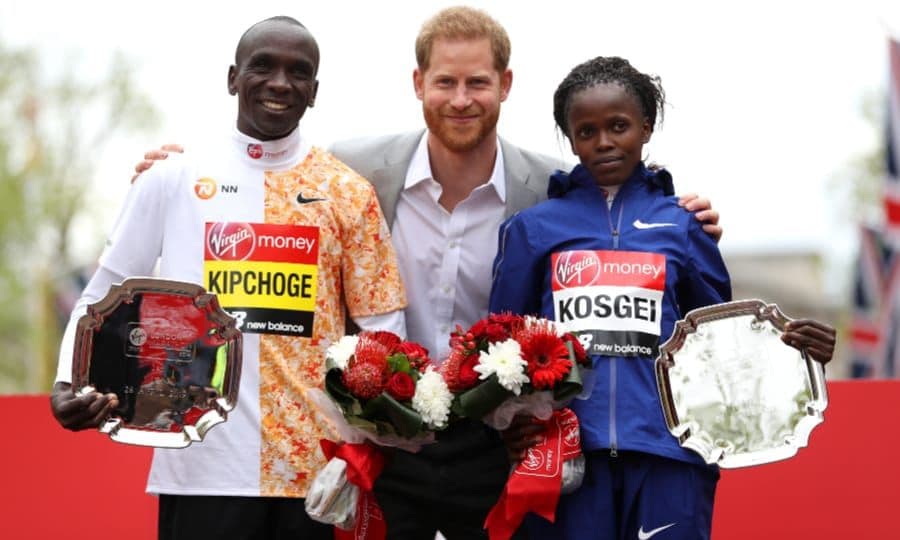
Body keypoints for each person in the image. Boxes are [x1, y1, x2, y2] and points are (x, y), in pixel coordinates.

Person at [132, 7, 723, 539]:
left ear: (505, 86)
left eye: (477, 83)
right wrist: (174, 171)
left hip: (497, 443)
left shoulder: (548, 186)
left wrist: (692, 220)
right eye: (445, 82)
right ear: (419, 84)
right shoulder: (353, 169)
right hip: (387, 435)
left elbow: (624, 217)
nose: (460, 98)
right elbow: (267, 171)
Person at [50, 16, 407, 540]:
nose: (280, 83)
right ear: (232, 78)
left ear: (315, 91)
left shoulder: (349, 193)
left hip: (315, 473)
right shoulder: (173, 177)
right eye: (263, 66)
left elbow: (384, 331)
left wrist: (360, 451)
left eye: (298, 72)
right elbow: (107, 287)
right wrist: (69, 381)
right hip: (199, 468)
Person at [489, 55, 837, 540]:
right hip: (564, 462)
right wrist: (510, 425)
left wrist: (798, 352)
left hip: (670, 456)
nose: (604, 142)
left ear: (646, 127)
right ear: (570, 138)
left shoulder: (683, 226)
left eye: (618, 126)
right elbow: (499, 347)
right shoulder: (532, 230)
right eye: (586, 131)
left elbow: (723, 345)